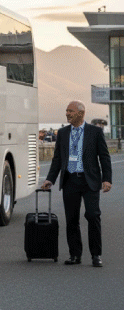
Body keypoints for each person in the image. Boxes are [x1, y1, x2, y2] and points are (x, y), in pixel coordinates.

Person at [42, 100, 113, 267]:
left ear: (81, 113)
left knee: (93, 216)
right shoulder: (63, 133)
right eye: (66, 111)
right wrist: (50, 179)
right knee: (71, 219)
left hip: (90, 181)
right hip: (70, 180)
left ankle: (96, 255)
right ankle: (75, 255)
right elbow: (57, 159)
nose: (67, 114)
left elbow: (104, 157)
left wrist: (107, 179)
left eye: (70, 111)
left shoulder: (95, 132)